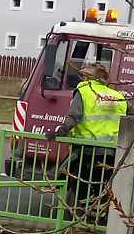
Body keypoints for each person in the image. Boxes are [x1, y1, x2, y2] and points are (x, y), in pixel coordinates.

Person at [54, 62, 128, 218]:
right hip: (113, 150)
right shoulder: (117, 95)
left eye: (83, 75)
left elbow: (74, 116)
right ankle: (100, 214)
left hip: (88, 149)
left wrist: (61, 130)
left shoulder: (84, 91)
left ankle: (85, 212)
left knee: (77, 180)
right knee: (104, 184)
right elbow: (132, 118)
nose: (81, 77)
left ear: (88, 77)